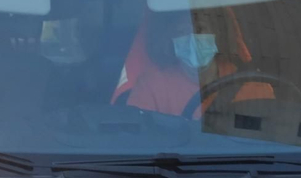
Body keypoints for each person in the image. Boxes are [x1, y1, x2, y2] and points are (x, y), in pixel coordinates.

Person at [112, 7, 272, 115]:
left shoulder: (253, 85)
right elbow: (141, 142)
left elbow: (267, 144)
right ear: (170, 40)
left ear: (217, 34)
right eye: (182, 31)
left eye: (200, 29)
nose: (192, 38)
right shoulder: (151, 86)